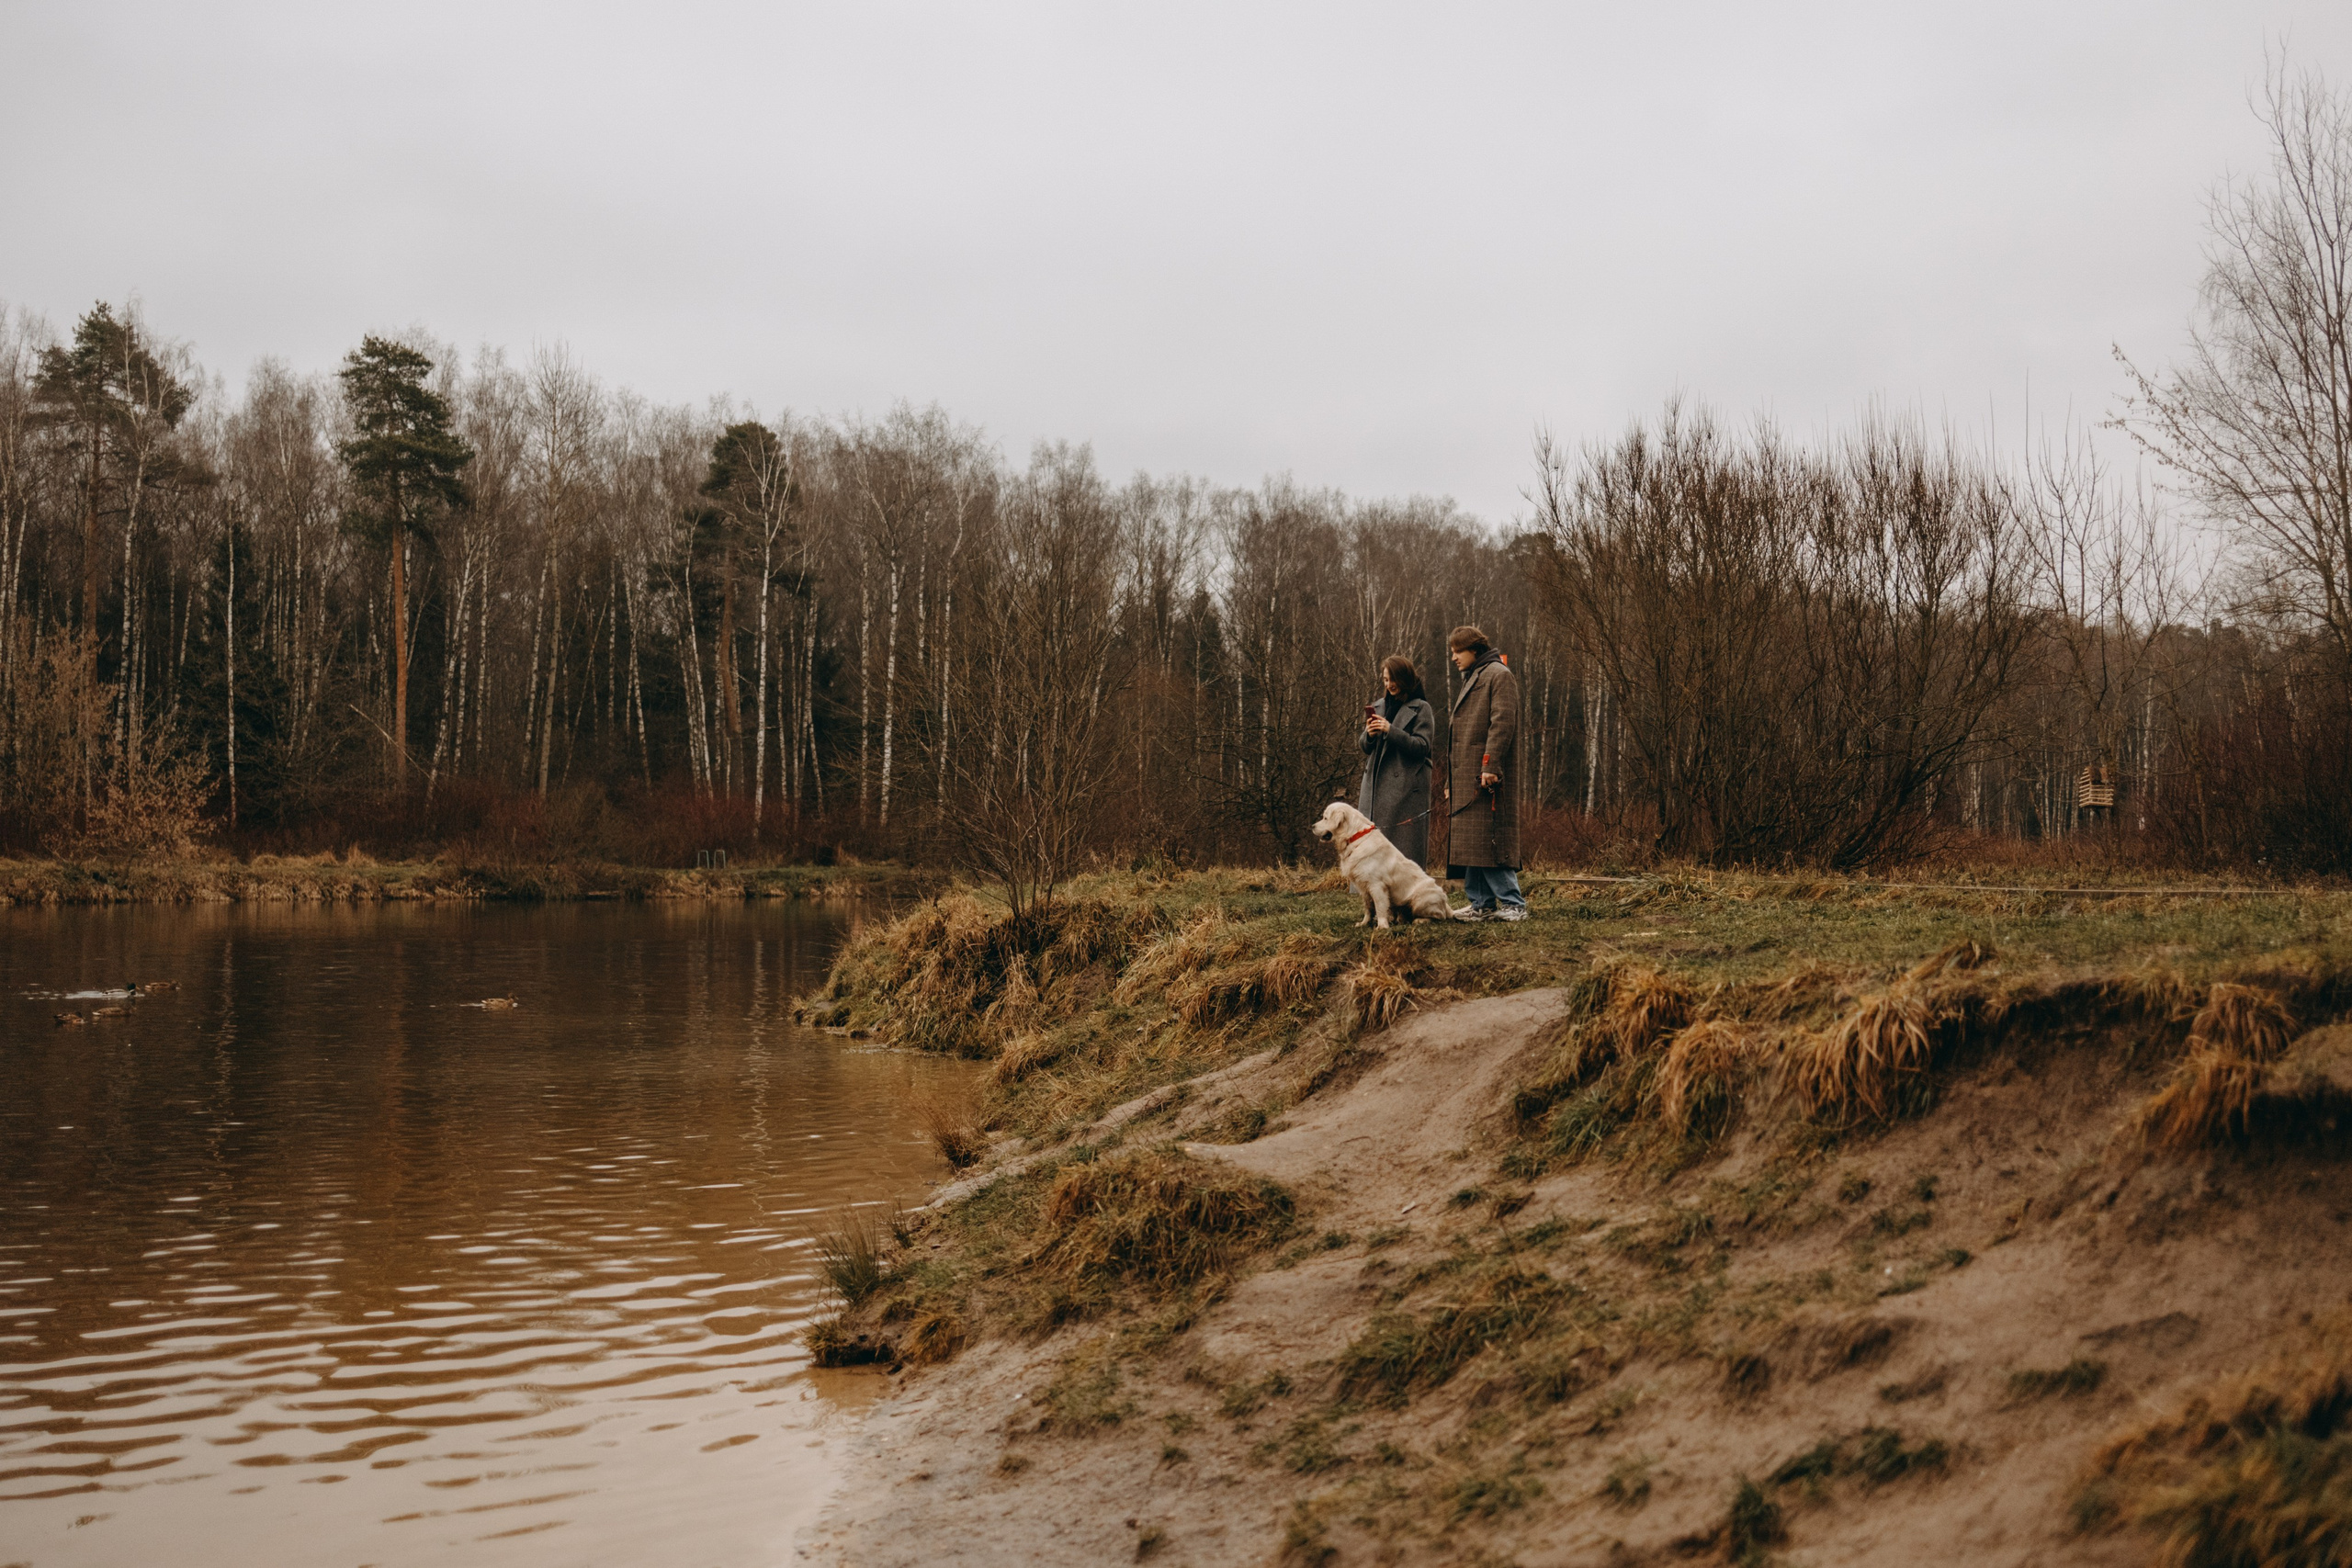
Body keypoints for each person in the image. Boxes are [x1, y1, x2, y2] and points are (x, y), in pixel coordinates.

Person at [1443, 625, 1525, 921]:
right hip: (1467, 777)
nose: (1453, 657)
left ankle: (1513, 904)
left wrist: (1490, 765)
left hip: (1486, 775)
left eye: (1458, 651)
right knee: (1471, 842)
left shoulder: (1498, 675)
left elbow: (1502, 723)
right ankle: (1481, 904)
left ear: (1474, 650)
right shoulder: (1475, 676)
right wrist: (1449, 782)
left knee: (1491, 838)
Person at [1358, 655, 1435, 869]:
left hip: (1405, 791)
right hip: (1374, 787)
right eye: (1385, 680)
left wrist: (1391, 731)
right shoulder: (1379, 706)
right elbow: (1364, 747)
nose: (1389, 685)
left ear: (1405, 679)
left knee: (1401, 856)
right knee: (1372, 850)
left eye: (1393, 680)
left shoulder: (1422, 709)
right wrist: (1371, 734)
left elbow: (1422, 747)